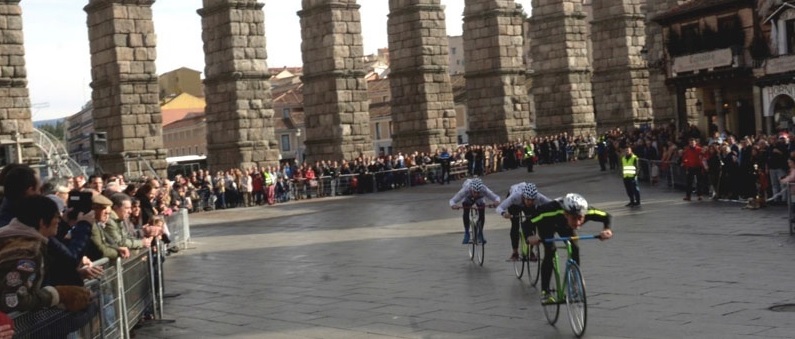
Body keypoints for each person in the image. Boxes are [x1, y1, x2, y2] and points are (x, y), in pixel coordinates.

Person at [528, 193, 613, 303]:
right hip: (547, 224)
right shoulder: (548, 211)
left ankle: (574, 283)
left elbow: (607, 216)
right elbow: (527, 223)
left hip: (566, 226)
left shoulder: (587, 211)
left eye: (580, 218)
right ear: (566, 214)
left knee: (574, 248)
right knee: (550, 251)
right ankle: (545, 291)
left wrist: (607, 229)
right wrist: (530, 236)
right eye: (574, 218)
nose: (578, 223)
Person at [496, 182, 551, 261]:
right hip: (515, 204)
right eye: (528, 199)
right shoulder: (515, 197)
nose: (530, 202)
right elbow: (499, 208)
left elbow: (551, 203)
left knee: (532, 222)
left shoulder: (538, 197)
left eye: (532, 200)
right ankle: (515, 253)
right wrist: (504, 213)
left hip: (525, 204)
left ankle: (530, 251)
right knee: (515, 225)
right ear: (523, 196)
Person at [449, 178, 500, 244]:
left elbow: (497, 197)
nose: (476, 194)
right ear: (471, 189)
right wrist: (453, 205)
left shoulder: (484, 189)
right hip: (468, 198)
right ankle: (467, 233)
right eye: (474, 192)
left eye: (478, 192)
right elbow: (452, 200)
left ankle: (480, 233)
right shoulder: (466, 189)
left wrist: (496, 202)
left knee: (482, 213)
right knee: (466, 211)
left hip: (480, 199)